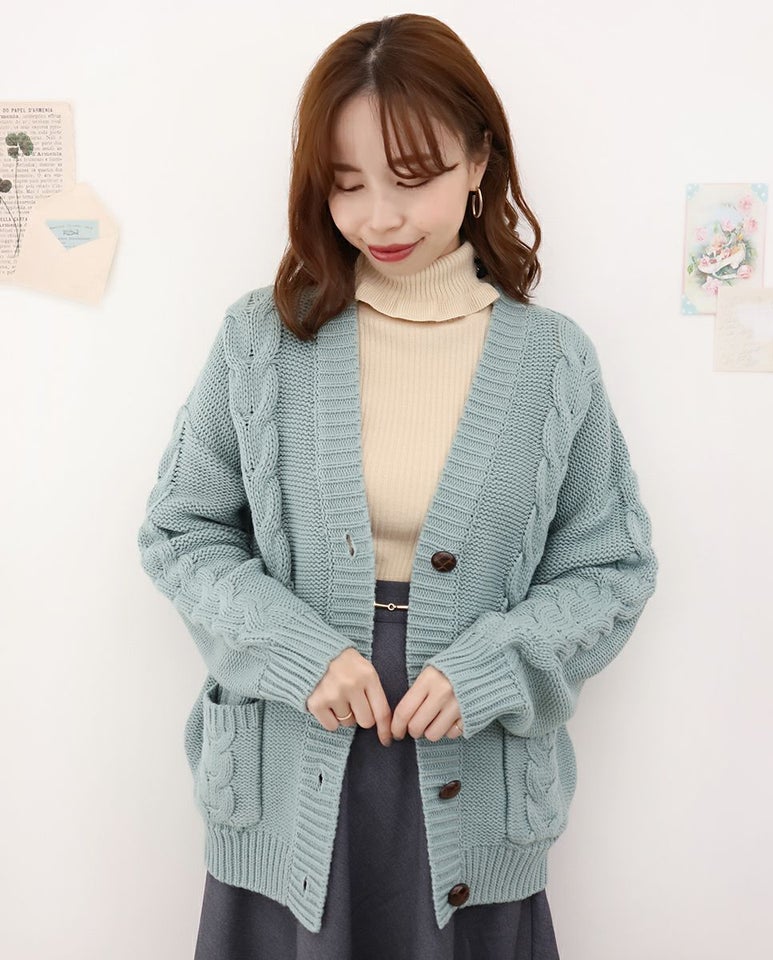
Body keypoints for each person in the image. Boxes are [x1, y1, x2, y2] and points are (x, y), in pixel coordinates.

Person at [136, 12, 658, 960]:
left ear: (478, 161)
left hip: (474, 763)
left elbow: (612, 570)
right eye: (346, 183)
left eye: (412, 178)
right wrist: (298, 652)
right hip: (291, 759)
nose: (378, 217)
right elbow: (183, 532)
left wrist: (496, 665)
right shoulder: (262, 338)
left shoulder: (551, 361)